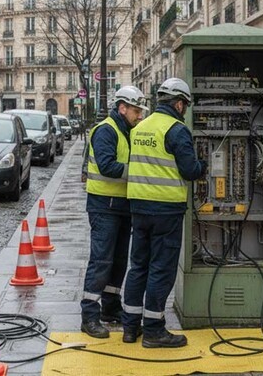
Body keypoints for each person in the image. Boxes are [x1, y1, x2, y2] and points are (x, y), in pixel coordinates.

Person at [122, 77, 207, 348]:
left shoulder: (140, 127)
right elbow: (189, 170)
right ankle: (155, 330)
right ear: (180, 104)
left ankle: (130, 326)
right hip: (166, 210)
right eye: (186, 106)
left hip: (138, 207)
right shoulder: (177, 129)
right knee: (161, 269)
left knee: (138, 267)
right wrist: (204, 164)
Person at [80, 86, 147, 339]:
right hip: (103, 206)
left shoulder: (127, 131)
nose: (139, 115)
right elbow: (107, 166)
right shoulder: (106, 130)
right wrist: (140, 171)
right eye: (136, 110)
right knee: (101, 261)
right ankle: (89, 315)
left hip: (121, 205)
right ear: (122, 108)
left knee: (118, 262)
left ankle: (110, 307)